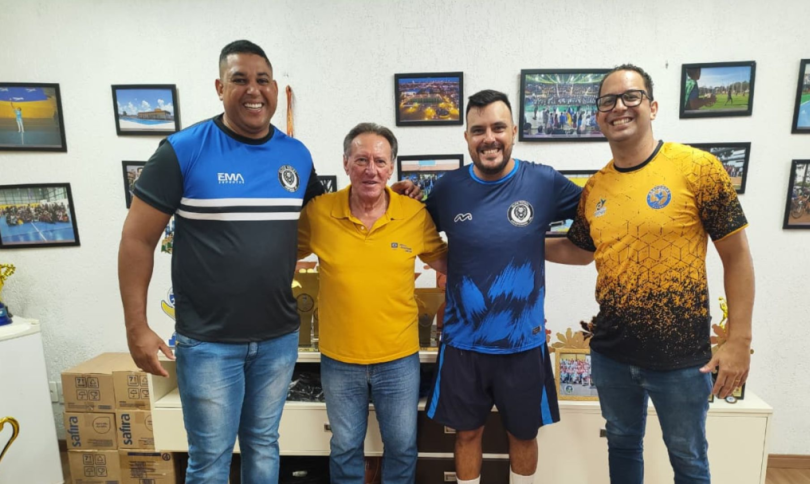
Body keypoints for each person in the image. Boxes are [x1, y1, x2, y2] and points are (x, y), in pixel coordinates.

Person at [118, 40, 419, 483]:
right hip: (209, 340)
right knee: (211, 458)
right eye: (239, 79)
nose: (253, 90)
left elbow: (333, 215)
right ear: (220, 87)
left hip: (278, 339)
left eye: (262, 80)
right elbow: (136, 239)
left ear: (275, 89)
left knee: (263, 445)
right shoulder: (182, 150)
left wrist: (394, 196)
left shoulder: (295, 155)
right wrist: (136, 326)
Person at [547, 64, 755, 484]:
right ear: (598, 115)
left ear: (653, 106)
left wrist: (739, 341)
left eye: (631, 96)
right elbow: (579, 251)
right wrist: (513, 243)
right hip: (611, 353)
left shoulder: (698, 168)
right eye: (607, 101)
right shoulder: (595, 188)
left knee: (688, 459)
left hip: (682, 358)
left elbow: (737, 258)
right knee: (622, 445)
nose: (618, 107)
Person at [424, 89, 583, 484]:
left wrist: (546, 248)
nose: (489, 138)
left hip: (523, 345)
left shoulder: (543, 181)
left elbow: (599, 213)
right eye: (478, 130)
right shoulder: (447, 189)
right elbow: (416, 234)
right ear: (466, 137)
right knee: (467, 434)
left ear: (513, 131)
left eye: (498, 127)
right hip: (462, 344)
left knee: (523, 435)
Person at [297, 122, 447, 484]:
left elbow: (449, 264)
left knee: (402, 447)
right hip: (339, 359)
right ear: (346, 163)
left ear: (391, 167)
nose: (371, 169)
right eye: (361, 159)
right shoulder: (319, 212)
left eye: (380, 161)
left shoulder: (413, 214)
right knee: (345, 447)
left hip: (398, 359)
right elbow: (280, 256)